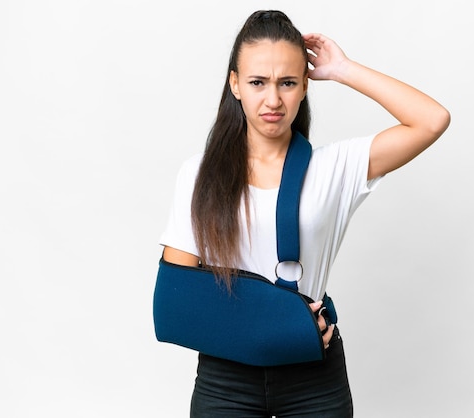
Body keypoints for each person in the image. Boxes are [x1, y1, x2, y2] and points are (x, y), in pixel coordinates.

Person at [159, 9, 450, 417]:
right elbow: (178, 303)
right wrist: (280, 323)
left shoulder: (336, 168)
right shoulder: (199, 175)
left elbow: (432, 120)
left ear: (304, 88)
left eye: (288, 83)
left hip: (312, 375)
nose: (273, 100)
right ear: (235, 85)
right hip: (227, 379)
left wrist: (344, 69)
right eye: (258, 82)